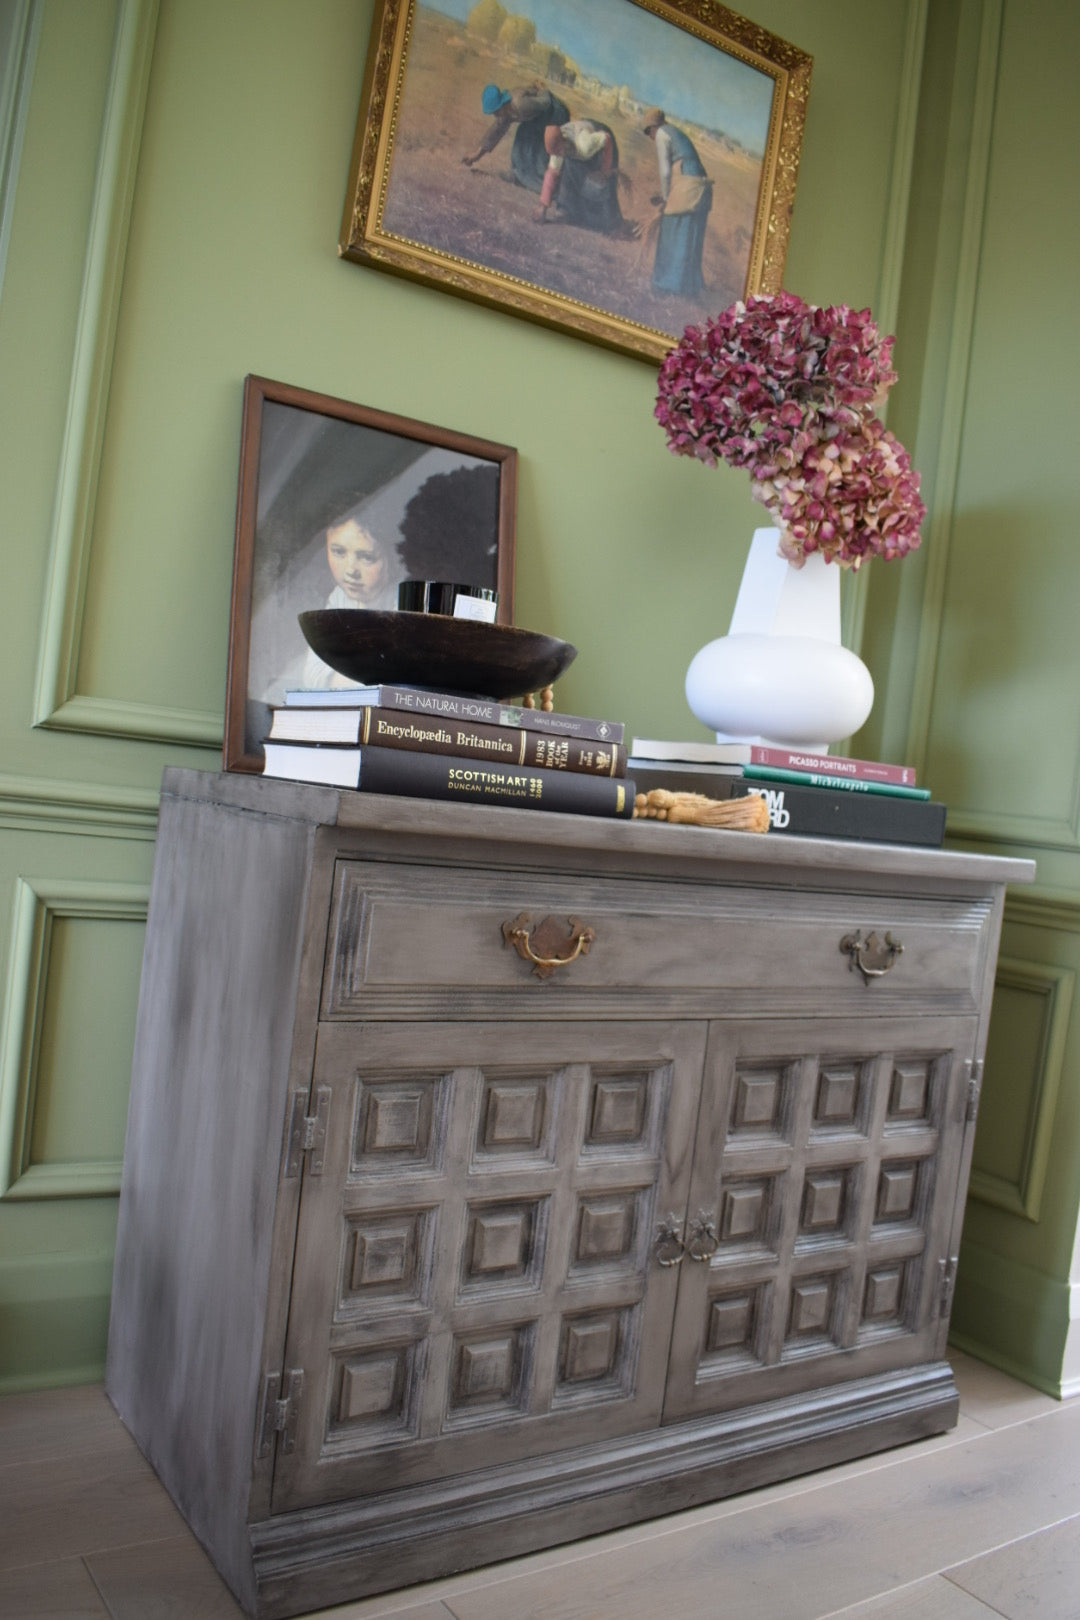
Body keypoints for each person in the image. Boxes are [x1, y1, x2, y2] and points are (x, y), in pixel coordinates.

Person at [301, 504, 403, 689]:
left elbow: (396, 678)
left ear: (391, 557)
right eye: (339, 552)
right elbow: (312, 676)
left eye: (366, 557)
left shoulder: (404, 600)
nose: (350, 571)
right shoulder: (340, 598)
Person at [641, 107, 713, 297]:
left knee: (673, 228)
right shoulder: (675, 132)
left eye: (648, 132)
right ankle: (688, 286)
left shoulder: (662, 134)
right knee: (691, 232)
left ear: (653, 128)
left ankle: (666, 284)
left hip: (687, 181)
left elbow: (665, 171)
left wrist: (666, 199)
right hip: (697, 180)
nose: (650, 137)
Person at [462, 82, 571, 194]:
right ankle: (520, 176)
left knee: (541, 150)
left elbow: (546, 102)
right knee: (520, 143)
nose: (495, 115)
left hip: (555, 113)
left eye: (496, 111)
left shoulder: (520, 104)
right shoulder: (505, 110)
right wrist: (477, 155)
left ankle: (548, 187)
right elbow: (496, 132)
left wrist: (542, 90)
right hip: (537, 117)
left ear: (502, 104)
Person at [533, 120, 637, 237]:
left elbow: (606, 139)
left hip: (603, 141)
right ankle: (567, 210)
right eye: (554, 152)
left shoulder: (584, 145)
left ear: (563, 142)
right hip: (578, 141)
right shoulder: (558, 147)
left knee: (602, 183)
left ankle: (614, 225)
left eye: (557, 151)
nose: (556, 154)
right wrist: (543, 207)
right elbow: (552, 173)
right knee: (566, 166)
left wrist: (605, 170)